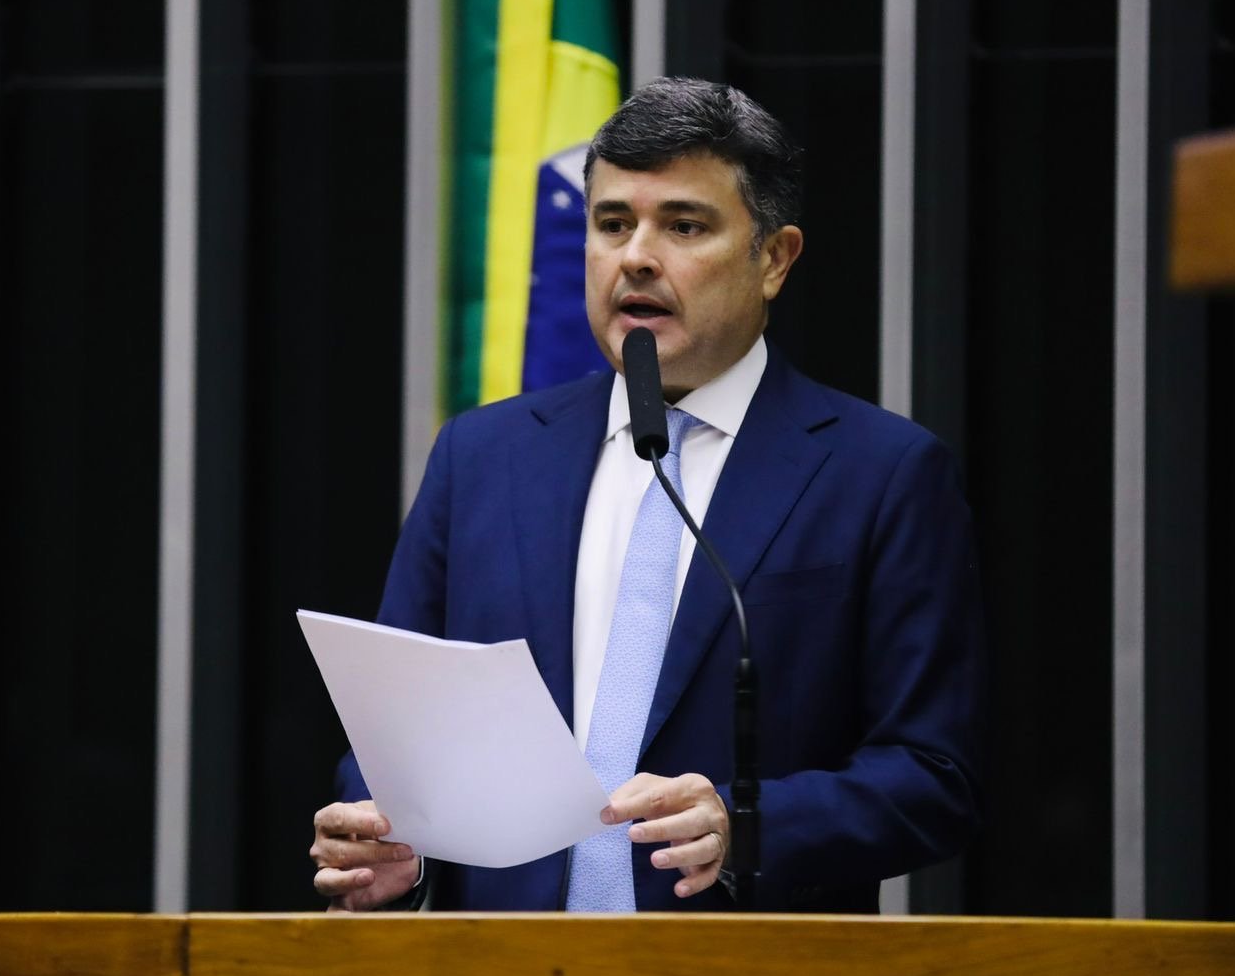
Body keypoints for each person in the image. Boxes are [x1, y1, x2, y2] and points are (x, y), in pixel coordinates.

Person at [310, 77, 983, 912]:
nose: (636, 256)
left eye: (684, 226)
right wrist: (387, 839)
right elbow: (398, 726)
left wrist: (748, 824)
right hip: (501, 971)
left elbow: (934, 774)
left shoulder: (881, 474)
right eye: (612, 223)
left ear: (774, 259)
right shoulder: (482, 458)